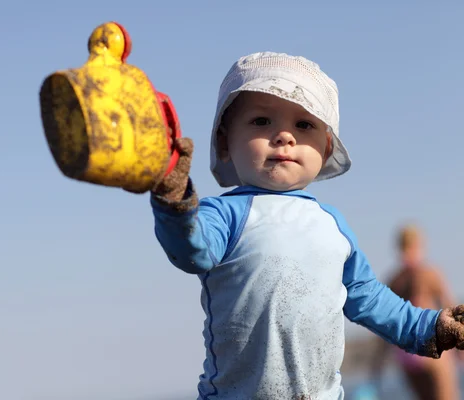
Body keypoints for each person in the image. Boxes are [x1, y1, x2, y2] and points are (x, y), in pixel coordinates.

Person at [147, 52, 464, 399]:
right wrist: (174, 202)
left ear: (326, 147)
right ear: (225, 141)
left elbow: (368, 298)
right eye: (261, 121)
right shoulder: (224, 214)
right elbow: (189, 250)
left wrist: (430, 328)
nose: (284, 136)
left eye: (304, 125)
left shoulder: (332, 226)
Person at [371, 224, 460, 400]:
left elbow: (383, 323)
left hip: (407, 355)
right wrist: (461, 351)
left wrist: (377, 364)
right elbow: (453, 312)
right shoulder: (428, 273)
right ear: (419, 244)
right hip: (431, 349)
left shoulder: (394, 279)